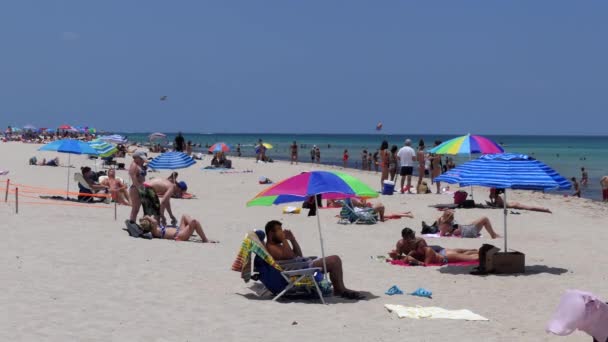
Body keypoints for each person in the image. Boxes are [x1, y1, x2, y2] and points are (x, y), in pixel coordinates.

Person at [264, 220, 364, 300]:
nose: (282, 232)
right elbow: (289, 256)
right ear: (271, 233)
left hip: (300, 266)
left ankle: (340, 288)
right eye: (279, 230)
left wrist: (293, 240)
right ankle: (339, 289)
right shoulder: (271, 247)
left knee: (334, 260)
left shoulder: (278, 246)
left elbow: (298, 255)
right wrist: (284, 239)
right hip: (299, 270)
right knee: (335, 260)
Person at [389, 228, 479, 265]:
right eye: (410, 237)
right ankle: (475, 252)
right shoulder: (400, 244)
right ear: (404, 237)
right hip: (439, 255)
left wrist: (414, 259)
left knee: (455, 252)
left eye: (413, 236)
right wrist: (395, 255)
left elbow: (426, 260)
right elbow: (399, 257)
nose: (413, 238)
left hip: (436, 250)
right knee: (457, 253)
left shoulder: (420, 242)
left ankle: (473, 250)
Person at [139, 215, 217, 243]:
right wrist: (146, 217)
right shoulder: (154, 231)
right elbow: (155, 221)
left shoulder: (154, 229)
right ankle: (204, 239)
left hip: (179, 231)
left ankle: (191, 228)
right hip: (180, 236)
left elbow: (154, 221)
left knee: (184, 216)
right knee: (194, 221)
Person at [128, 151, 148, 224]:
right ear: (137, 158)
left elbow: (141, 175)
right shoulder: (134, 165)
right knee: (135, 208)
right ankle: (132, 222)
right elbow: (134, 178)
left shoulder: (140, 165)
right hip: (136, 188)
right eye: (141, 159)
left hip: (140, 187)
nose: (142, 160)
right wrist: (140, 189)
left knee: (137, 208)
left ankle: (133, 222)